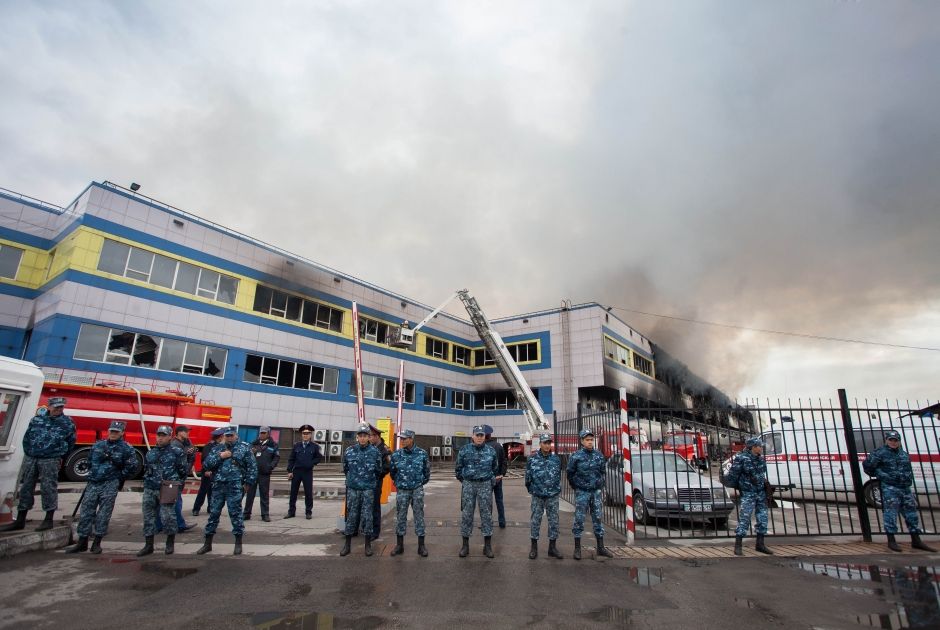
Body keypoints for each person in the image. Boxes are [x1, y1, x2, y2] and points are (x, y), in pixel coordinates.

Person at [1, 397, 76, 532]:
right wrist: (29, 452)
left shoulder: (67, 423)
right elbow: (27, 437)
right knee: (26, 488)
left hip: (50, 459)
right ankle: (20, 519)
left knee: (48, 488)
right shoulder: (37, 420)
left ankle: (48, 519)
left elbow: (71, 442)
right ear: (49, 407)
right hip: (32, 457)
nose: (59, 409)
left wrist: (59, 455)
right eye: (56, 407)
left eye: (61, 407)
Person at [66, 421, 137, 554]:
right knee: (86, 511)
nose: (113, 434)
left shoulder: (127, 448)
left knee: (104, 514)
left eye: (116, 432)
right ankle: (82, 542)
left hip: (110, 484)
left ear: (122, 433)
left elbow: (132, 467)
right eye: (112, 431)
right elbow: (90, 460)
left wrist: (117, 477)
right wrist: (93, 474)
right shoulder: (98, 445)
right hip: (93, 483)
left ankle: (97, 542)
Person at [863, 430, 936, 553]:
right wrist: (881, 475)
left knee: (911, 514)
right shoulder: (879, 453)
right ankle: (891, 540)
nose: (893, 442)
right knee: (890, 514)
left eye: (895, 440)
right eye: (891, 440)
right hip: (890, 488)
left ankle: (916, 540)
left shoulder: (903, 454)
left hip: (905, 488)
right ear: (886, 440)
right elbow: (868, 467)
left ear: (899, 441)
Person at [197, 425, 257, 555]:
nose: (229, 438)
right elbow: (206, 465)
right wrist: (221, 456)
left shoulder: (244, 448)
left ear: (236, 435)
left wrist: (248, 483)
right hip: (218, 486)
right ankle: (207, 544)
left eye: (231, 435)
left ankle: (238, 543)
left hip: (235, 486)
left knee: (235, 514)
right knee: (213, 514)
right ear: (224, 436)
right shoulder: (217, 449)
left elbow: (252, 467)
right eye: (227, 435)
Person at [137, 425, 188, 556]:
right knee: (148, 517)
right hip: (150, 488)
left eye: (163, 435)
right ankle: (149, 545)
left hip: (167, 487)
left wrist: (176, 484)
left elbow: (183, 470)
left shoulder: (177, 452)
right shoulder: (151, 453)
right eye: (159, 435)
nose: (160, 438)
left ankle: (169, 543)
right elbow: (148, 469)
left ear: (170, 436)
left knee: (168, 517)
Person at [566, 428, 612, 560]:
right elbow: (570, 473)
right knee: (579, 519)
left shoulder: (599, 455)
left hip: (595, 492)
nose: (590, 442)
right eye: (587, 440)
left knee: (597, 518)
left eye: (592, 439)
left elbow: (603, 471)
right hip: (582, 492)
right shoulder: (576, 456)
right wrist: (576, 486)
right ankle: (577, 548)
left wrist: (599, 486)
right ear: (582, 441)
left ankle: (601, 547)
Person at [455, 425, 499, 558]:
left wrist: (488, 480)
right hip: (469, 485)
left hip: (485, 485)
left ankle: (487, 546)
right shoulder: (464, 450)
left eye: (482, 435)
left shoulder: (491, 451)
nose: (480, 437)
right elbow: (458, 469)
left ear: (485, 436)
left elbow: (495, 468)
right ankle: (465, 546)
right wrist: (466, 481)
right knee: (467, 514)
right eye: (477, 435)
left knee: (486, 515)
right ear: (472, 436)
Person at [340, 424, 383, 557]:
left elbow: (379, 470)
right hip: (353, 489)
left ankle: (367, 546)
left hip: (368, 490)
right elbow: (345, 468)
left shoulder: (375, 452)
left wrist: (368, 482)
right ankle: (347, 545)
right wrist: (354, 480)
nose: (363, 438)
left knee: (368, 517)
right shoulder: (349, 451)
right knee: (351, 516)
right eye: (360, 436)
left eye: (365, 436)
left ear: (369, 437)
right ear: (357, 437)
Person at [389, 429, 430, 557]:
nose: (402, 441)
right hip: (402, 490)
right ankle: (399, 545)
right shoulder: (396, 455)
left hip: (417, 489)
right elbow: (392, 473)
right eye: (401, 439)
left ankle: (421, 546)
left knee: (419, 516)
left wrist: (418, 483)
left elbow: (426, 473)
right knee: (400, 516)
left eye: (405, 438)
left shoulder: (422, 454)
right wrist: (400, 483)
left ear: (412, 439)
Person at [729, 436, 773, 556]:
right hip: (748, 492)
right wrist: (742, 487)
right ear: (753, 447)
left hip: (760, 492)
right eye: (759, 446)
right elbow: (733, 476)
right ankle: (738, 545)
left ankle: (760, 544)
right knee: (745, 518)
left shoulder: (760, 459)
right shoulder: (741, 458)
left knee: (762, 518)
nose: (761, 448)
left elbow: (762, 473)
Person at [525, 433, 563, 560]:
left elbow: (559, 476)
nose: (547, 445)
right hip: (538, 496)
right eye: (544, 443)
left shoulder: (556, 459)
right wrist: (533, 490)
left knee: (554, 521)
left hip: (552, 496)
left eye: (548, 443)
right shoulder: (532, 459)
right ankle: (533, 548)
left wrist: (556, 490)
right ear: (540, 444)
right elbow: (528, 478)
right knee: (535, 521)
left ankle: (552, 548)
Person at [156, 425, 196, 533]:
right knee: (175, 501)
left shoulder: (184, 443)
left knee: (168, 502)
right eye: (186, 431)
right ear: (179, 433)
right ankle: (179, 525)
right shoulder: (175, 445)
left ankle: (159, 525)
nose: (188, 433)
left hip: (173, 479)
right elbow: (179, 464)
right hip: (173, 479)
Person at [285, 424, 323, 519]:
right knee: (293, 492)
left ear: (310, 435)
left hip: (307, 472)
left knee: (308, 493)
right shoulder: (296, 446)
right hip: (296, 472)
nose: (305, 435)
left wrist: (311, 463)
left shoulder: (314, 446)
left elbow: (319, 457)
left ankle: (308, 512)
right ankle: (291, 512)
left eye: (307, 433)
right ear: (301, 435)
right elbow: (291, 459)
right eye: (304, 433)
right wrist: (289, 471)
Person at [244, 426, 280, 522]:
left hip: (265, 473)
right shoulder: (253, 444)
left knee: (264, 495)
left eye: (264, 433)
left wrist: (270, 466)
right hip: (253, 473)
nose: (262, 435)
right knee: (250, 494)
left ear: (268, 434)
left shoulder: (273, 445)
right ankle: (246, 513)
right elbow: (247, 456)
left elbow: (276, 458)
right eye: (261, 433)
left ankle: (265, 514)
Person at [192, 428, 225, 516]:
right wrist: (206, 470)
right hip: (208, 473)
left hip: (216, 473)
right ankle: (196, 509)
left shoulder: (221, 446)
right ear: (220, 437)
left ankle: (210, 508)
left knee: (212, 491)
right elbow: (205, 460)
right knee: (203, 491)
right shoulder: (209, 446)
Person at [368, 424, 391, 538]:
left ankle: (375, 531)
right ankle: (363, 528)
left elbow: (388, 466)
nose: (369, 438)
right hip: (366, 482)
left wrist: (377, 474)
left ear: (377, 436)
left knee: (375, 506)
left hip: (376, 481)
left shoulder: (384, 449)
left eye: (371, 436)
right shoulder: (369, 447)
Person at [484, 425, 508, 529]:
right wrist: (501, 474)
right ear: (490, 435)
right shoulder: (498, 446)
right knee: (499, 500)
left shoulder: (482, 447)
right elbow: (504, 461)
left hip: (486, 479)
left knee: (487, 502)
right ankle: (502, 522)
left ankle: (488, 523)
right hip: (498, 478)